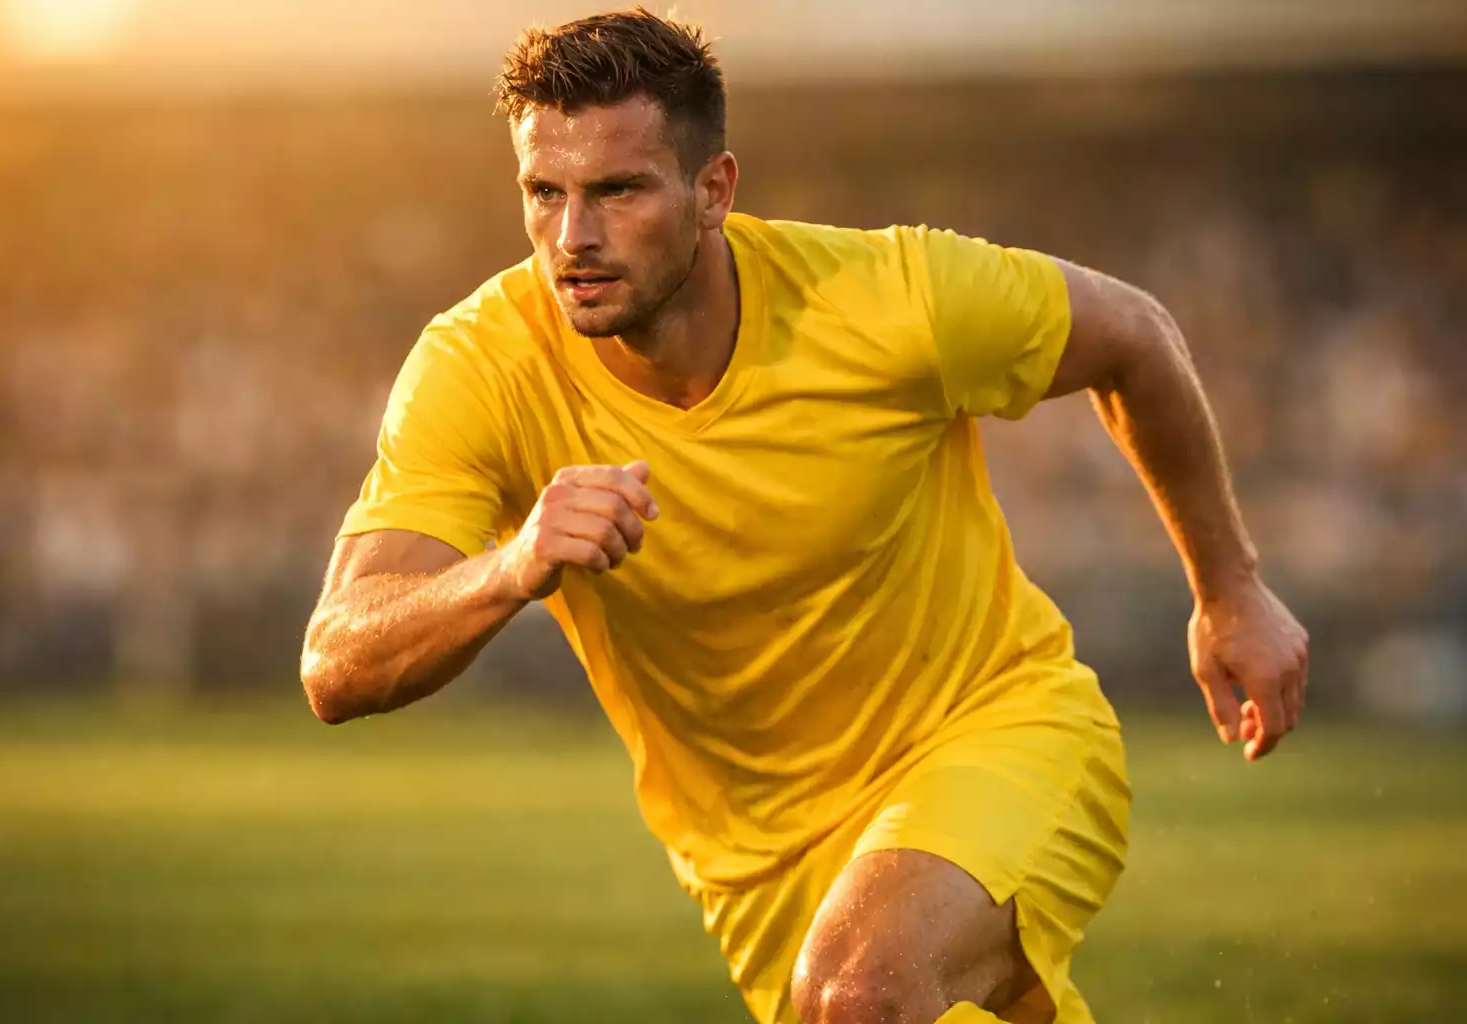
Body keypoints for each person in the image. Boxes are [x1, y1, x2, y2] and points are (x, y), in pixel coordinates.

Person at [300, 8, 1310, 1023]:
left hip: (996, 729)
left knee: (862, 989)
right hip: (762, 869)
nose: (575, 236)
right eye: (543, 192)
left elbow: (1137, 336)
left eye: (617, 190)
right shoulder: (478, 364)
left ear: (714, 191)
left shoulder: (890, 297)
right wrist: (511, 566)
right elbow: (336, 664)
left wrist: (1230, 590)